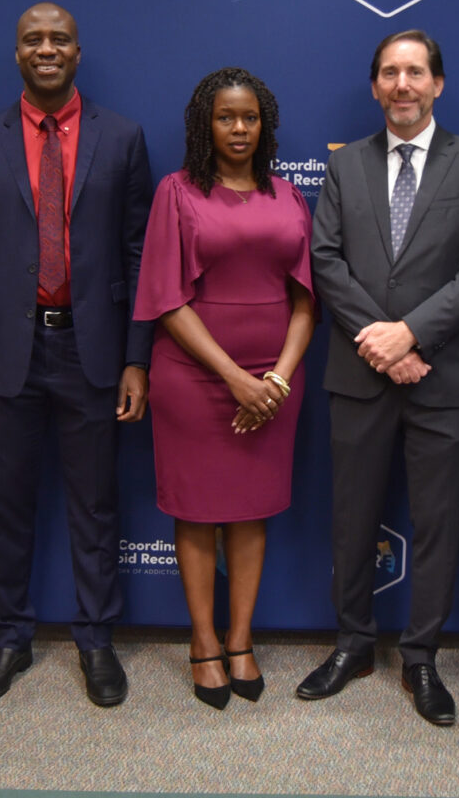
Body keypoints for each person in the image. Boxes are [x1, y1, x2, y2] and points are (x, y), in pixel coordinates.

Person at [0, 2, 153, 709]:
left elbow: (139, 256)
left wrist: (136, 358)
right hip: (7, 352)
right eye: (32, 38)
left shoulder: (122, 138)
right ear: (16, 53)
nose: (46, 48)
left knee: (95, 505)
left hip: (92, 352)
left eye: (58, 38)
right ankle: (10, 637)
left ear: (77, 51)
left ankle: (96, 639)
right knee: (6, 505)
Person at [299, 29, 459, 726]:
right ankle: (353, 643)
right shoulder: (345, 165)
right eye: (389, 73)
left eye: (415, 72)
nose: (402, 85)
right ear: (374, 86)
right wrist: (386, 344)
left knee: (437, 524)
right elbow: (326, 261)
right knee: (352, 517)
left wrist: (412, 333)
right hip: (360, 375)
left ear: (437, 84)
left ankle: (421, 656)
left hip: (441, 377)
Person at [133, 68, 315, 709]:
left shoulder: (289, 196)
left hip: (274, 379)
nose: (239, 128)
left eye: (250, 117)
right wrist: (235, 379)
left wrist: (277, 379)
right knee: (197, 510)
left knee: (250, 509)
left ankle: (241, 640)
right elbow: (166, 300)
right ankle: (204, 642)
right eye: (225, 117)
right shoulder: (177, 192)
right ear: (204, 125)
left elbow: (306, 300)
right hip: (194, 377)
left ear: (265, 125)